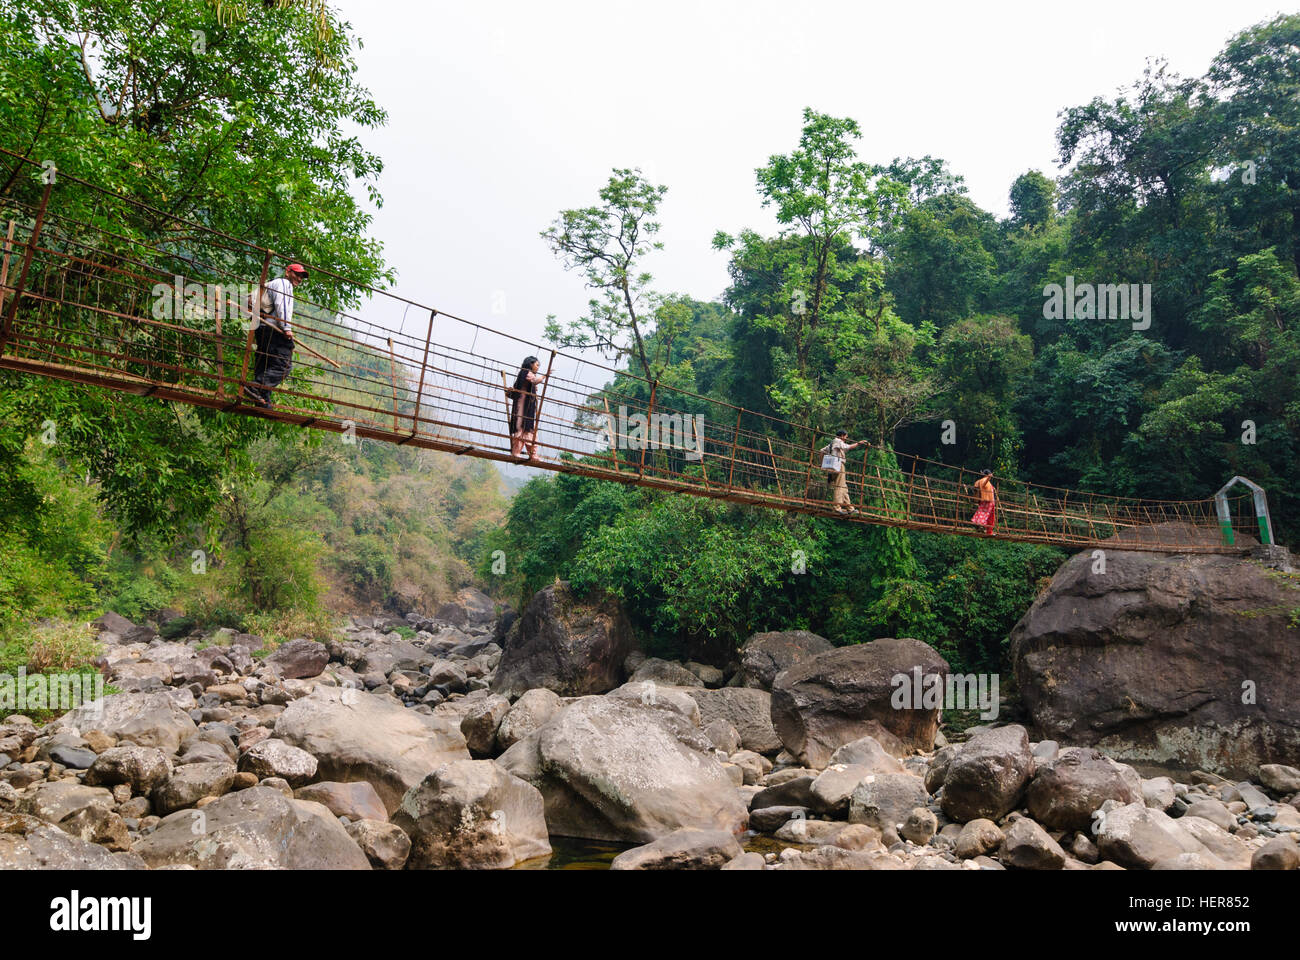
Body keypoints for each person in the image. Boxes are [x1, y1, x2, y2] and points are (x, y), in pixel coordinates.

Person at [243, 262, 308, 408]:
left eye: (301, 276)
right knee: (283, 365)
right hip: (274, 330)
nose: (299, 278)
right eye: (297, 274)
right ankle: (256, 387)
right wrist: (286, 328)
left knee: (266, 363)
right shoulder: (284, 284)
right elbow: (282, 305)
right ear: (288, 272)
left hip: (262, 329)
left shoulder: (272, 284)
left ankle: (262, 399)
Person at [819, 429, 867, 515]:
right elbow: (848, 447)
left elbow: (821, 451)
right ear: (841, 435)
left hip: (832, 467)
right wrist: (859, 443)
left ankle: (850, 508)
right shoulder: (837, 441)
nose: (845, 439)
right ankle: (837, 507)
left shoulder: (831, 443)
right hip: (839, 466)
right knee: (839, 486)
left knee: (844, 487)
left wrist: (822, 464)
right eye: (845, 437)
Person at [509, 355, 546, 458]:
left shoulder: (523, 374)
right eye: (537, 365)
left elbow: (529, 384)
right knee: (522, 428)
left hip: (525, 408)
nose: (538, 367)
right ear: (531, 364)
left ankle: (531, 454)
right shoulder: (526, 372)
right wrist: (544, 377)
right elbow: (534, 381)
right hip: (523, 407)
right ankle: (521, 453)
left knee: (526, 429)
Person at [970, 469, 996, 533]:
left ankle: (988, 530)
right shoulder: (984, 480)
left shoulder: (979, 481)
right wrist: (989, 478)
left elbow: (976, 487)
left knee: (984, 513)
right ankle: (981, 525)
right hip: (988, 500)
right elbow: (983, 484)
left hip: (986, 500)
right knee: (985, 514)